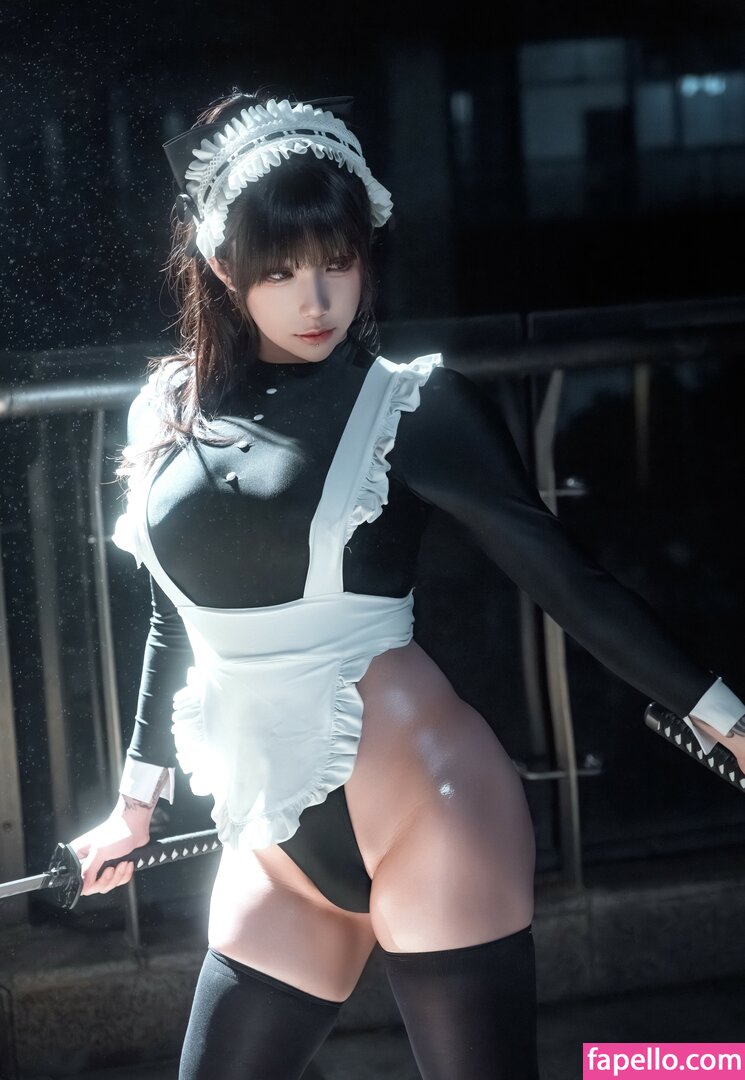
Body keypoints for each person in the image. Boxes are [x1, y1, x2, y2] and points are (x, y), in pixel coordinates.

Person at [70, 89, 745, 1080]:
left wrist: (731, 721)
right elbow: (177, 615)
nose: (316, 301)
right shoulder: (165, 409)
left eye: (337, 263)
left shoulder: (412, 406)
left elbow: (569, 584)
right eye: (281, 272)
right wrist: (134, 805)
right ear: (222, 268)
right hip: (273, 842)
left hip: (432, 808)